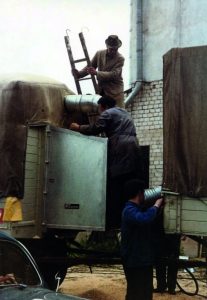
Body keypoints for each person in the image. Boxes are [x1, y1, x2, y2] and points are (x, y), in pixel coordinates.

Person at [70, 96, 143, 229]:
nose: (99, 112)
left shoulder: (108, 113)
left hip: (121, 148)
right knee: (130, 182)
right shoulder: (124, 112)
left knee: (115, 183)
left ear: (103, 106)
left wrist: (78, 127)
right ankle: (130, 216)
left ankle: (115, 221)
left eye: (99, 109)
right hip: (134, 147)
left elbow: (96, 128)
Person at [121, 179, 163, 300]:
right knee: (136, 294)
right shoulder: (129, 210)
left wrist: (157, 210)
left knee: (144, 293)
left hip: (141, 260)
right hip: (135, 261)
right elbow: (143, 219)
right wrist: (156, 205)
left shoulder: (136, 209)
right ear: (139, 193)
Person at [73, 35, 125, 107]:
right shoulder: (99, 53)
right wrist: (79, 74)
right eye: (111, 49)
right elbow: (90, 67)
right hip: (101, 91)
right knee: (103, 114)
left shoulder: (120, 58)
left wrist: (96, 73)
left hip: (115, 92)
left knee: (117, 115)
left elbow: (114, 74)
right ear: (107, 46)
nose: (113, 51)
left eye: (115, 49)